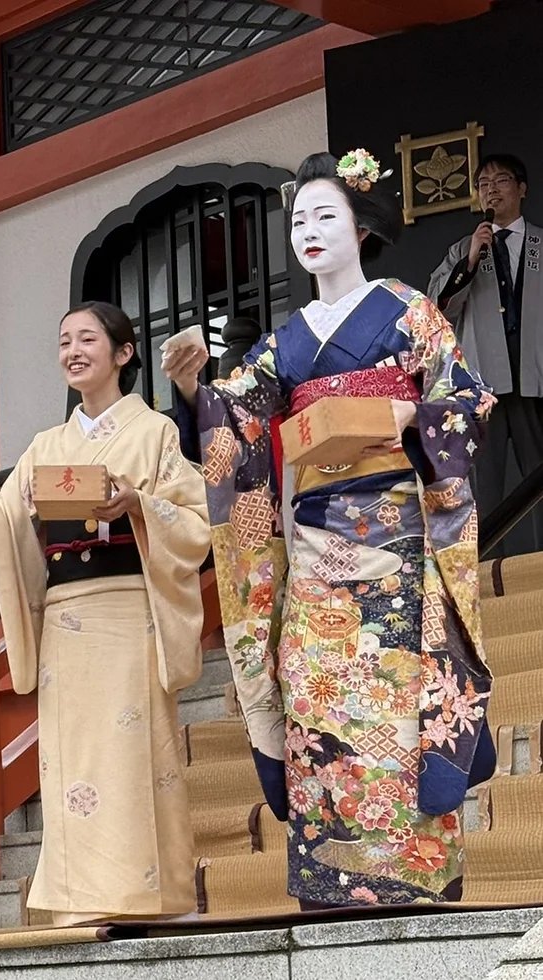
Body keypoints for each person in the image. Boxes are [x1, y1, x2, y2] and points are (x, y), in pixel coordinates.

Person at [164, 150, 497, 908]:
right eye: (298, 221)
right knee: (317, 702)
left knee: (396, 704)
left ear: (361, 227)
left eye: (325, 216)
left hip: (398, 543)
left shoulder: (409, 310)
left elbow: (466, 401)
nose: (309, 231)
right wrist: (192, 388)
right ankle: (332, 880)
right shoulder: (283, 342)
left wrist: (403, 415)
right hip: (314, 554)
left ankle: (409, 877)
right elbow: (236, 429)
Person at [0, 301, 210, 925]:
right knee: (72, 761)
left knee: (137, 750)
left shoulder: (156, 433)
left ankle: (155, 893)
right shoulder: (45, 445)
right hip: (66, 616)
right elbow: (6, 529)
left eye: (88, 339)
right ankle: (81, 899)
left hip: (128, 608)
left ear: (123, 353)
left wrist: (136, 502)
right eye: (64, 341)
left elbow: (194, 525)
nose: (72, 351)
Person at [428, 154, 543, 554]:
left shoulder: (541, 244)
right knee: (487, 488)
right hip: (485, 389)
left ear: (522, 189)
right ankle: (489, 573)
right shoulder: (463, 249)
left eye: (502, 180)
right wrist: (471, 260)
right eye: (483, 183)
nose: (491, 189)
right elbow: (437, 310)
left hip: (537, 383)